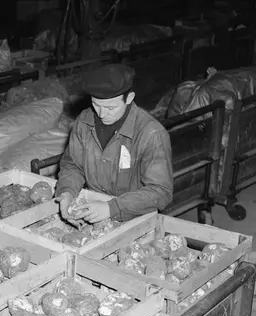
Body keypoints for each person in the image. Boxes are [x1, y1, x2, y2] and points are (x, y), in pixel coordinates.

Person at [55, 63, 173, 224]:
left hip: (134, 216)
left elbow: (161, 191)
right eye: (96, 105)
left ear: (129, 98)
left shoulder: (151, 134)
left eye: (111, 108)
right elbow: (73, 165)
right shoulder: (84, 121)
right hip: (92, 207)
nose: (102, 114)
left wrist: (112, 209)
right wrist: (67, 192)